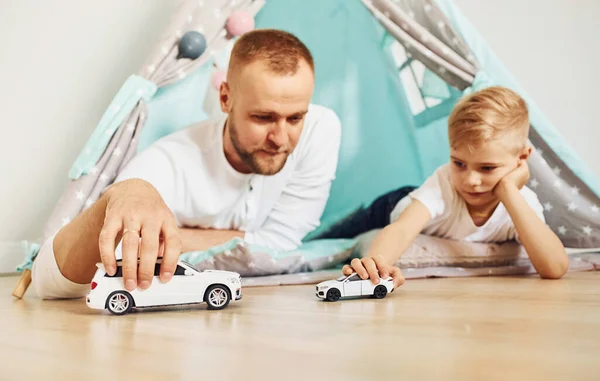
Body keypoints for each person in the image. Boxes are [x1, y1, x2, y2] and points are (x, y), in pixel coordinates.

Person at [31, 29, 342, 299]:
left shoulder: (320, 129)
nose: (280, 138)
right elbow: (48, 280)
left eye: (296, 118)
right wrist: (125, 195)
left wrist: (169, 235)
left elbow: (281, 243)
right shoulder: (169, 162)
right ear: (225, 99)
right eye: (263, 117)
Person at [324, 86, 568, 286]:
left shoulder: (521, 202)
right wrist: (377, 266)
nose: (470, 180)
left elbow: (554, 267)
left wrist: (508, 191)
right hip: (391, 207)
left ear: (522, 158)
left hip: (449, 201)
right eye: (459, 163)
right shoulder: (444, 183)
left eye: (487, 168)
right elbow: (401, 230)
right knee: (339, 232)